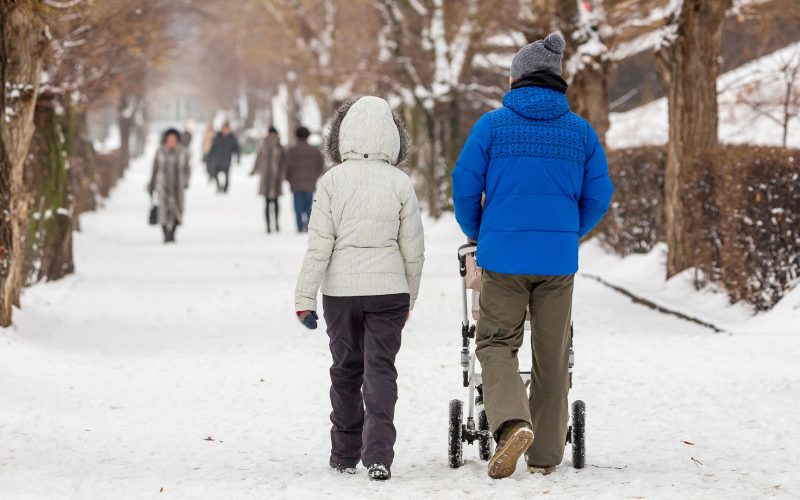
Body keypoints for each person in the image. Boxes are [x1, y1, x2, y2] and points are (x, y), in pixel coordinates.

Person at [452, 32, 614, 479]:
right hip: (557, 264)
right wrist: (567, 233)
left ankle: (511, 422)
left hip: (503, 259)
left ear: (518, 78)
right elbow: (600, 195)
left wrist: (479, 232)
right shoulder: (580, 131)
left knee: (495, 342)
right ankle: (544, 457)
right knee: (552, 355)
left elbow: (464, 183)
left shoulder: (492, 126)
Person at [294, 96, 425, 481]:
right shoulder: (401, 182)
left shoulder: (331, 181)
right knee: (381, 370)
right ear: (394, 137)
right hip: (390, 292)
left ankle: (344, 452)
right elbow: (413, 249)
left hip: (341, 293)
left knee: (346, 370)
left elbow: (319, 244)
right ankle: (379, 455)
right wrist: (410, 297)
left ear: (342, 135)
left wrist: (304, 299)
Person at [148, 128, 190, 243]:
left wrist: (186, 181)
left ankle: (173, 232)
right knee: (163, 210)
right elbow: (154, 169)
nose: (171, 141)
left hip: (178, 185)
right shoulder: (160, 152)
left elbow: (187, 169)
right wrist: (151, 185)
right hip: (162, 185)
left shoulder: (183, 152)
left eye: (174, 139)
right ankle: (166, 234)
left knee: (178, 209)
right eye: (169, 139)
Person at [286, 126, 324, 232]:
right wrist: (314, 176)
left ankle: (299, 226)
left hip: (296, 182)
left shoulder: (291, 151)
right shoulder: (314, 151)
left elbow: (287, 166)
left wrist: (289, 178)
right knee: (309, 205)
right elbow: (320, 165)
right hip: (310, 183)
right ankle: (309, 226)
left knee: (297, 205)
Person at [251, 127, 286, 233]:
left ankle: (275, 223)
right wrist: (254, 169)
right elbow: (258, 158)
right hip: (268, 177)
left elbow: (284, 162)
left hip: (274, 178)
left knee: (274, 202)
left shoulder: (278, 146)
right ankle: (269, 226)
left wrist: (284, 175)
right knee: (269, 202)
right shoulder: (266, 145)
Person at [206, 122, 240, 193]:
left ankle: (225, 188)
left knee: (227, 176)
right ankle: (218, 186)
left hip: (227, 160)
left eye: (227, 129)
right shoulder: (217, 137)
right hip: (218, 160)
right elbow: (213, 147)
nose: (225, 130)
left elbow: (236, 148)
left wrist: (238, 157)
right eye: (224, 129)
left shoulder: (232, 138)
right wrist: (208, 156)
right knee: (215, 174)